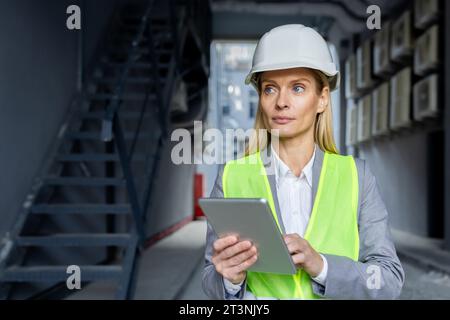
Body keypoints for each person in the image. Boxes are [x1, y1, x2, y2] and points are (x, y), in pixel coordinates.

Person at [202, 24, 404, 299]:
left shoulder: (357, 176)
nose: (281, 102)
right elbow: (210, 280)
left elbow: (388, 280)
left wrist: (322, 266)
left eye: (297, 88)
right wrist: (230, 281)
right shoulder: (231, 177)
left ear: (322, 99)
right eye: (270, 89)